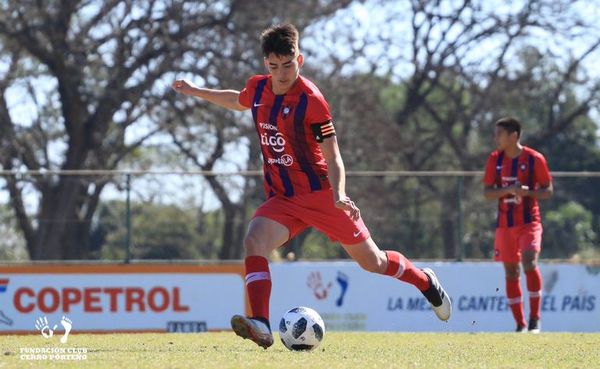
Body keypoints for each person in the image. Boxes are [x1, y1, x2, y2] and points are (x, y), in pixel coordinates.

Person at [172, 24, 451, 349]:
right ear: (266, 64)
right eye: (274, 66)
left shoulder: (312, 101)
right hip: (284, 198)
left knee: (373, 262)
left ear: (299, 59)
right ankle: (261, 323)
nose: (281, 73)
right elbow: (238, 100)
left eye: (288, 65)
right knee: (254, 240)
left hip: (322, 197)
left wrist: (340, 193)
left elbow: (333, 156)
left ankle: (424, 281)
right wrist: (195, 90)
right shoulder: (258, 89)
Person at [483, 117, 553, 333]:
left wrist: (527, 192)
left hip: (529, 222)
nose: (496, 138)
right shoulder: (495, 159)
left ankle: (535, 320)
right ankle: (520, 325)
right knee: (511, 271)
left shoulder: (534, 159)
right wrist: (507, 190)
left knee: (529, 262)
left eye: (499, 134)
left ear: (513, 136)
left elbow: (548, 191)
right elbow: (487, 192)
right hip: (504, 225)